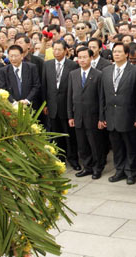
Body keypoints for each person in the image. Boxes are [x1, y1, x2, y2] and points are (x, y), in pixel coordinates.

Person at [100, 42, 136, 185]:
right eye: (114, 51)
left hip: (128, 115)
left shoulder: (135, 71)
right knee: (116, 145)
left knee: (130, 145)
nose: (116, 54)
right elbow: (102, 96)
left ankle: (130, 172)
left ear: (127, 54)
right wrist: (102, 116)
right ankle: (119, 170)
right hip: (111, 114)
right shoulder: (106, 71)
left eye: (119, 51)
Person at [42, 40, 80, 170]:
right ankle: (60, 158)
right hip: (52, 106)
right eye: (54, 49)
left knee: (70, 135)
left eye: (59, 49)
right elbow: (44, 86)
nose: (56, 52)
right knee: (56, 135)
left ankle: (73, 159)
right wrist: (45, 104)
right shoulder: (47, 65)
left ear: (65, 51)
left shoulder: (73, 65)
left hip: (66, 106)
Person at [67, 47, 105, 179]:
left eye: (85, 57)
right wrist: (70, 116)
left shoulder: (98, 75)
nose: (82, 60)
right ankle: (87, 167)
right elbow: (69, 96)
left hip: (93, 116)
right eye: (80, 57)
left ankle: (98, 167)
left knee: (95, 144)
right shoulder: (73, 74)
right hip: (78, 116)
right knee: (82, 145)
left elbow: (101, 98)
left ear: (91, 58)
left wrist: (101, 117)